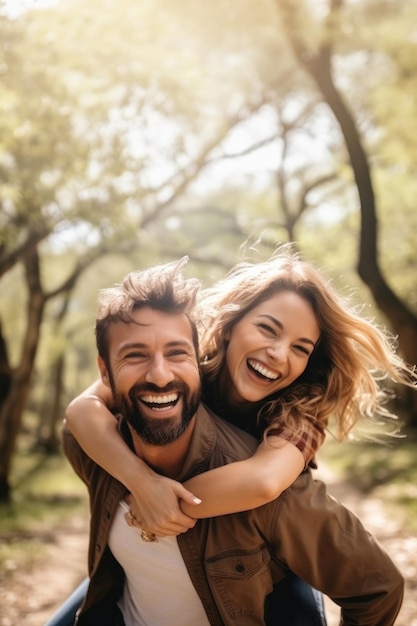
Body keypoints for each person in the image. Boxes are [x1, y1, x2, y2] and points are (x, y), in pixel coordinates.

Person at [61, 258, 405, 625]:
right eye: (267, 329)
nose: (278, 353)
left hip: (264, 557)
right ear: (229, 325)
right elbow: (81, 411)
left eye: (300, 348)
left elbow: (263, 482)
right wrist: (141, 483)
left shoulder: (299, 414)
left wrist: (166, 505)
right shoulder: (185, 366)